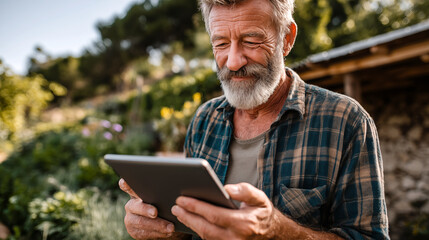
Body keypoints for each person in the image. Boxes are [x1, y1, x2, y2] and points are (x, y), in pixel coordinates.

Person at [119, 0, 390, 239]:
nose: (234, 61)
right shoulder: (204, 120)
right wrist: (161, 228)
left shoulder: (347, 121)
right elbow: (190, 229)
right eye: (221, 44)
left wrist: (276, 231)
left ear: (287, 38)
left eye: (251, 41)